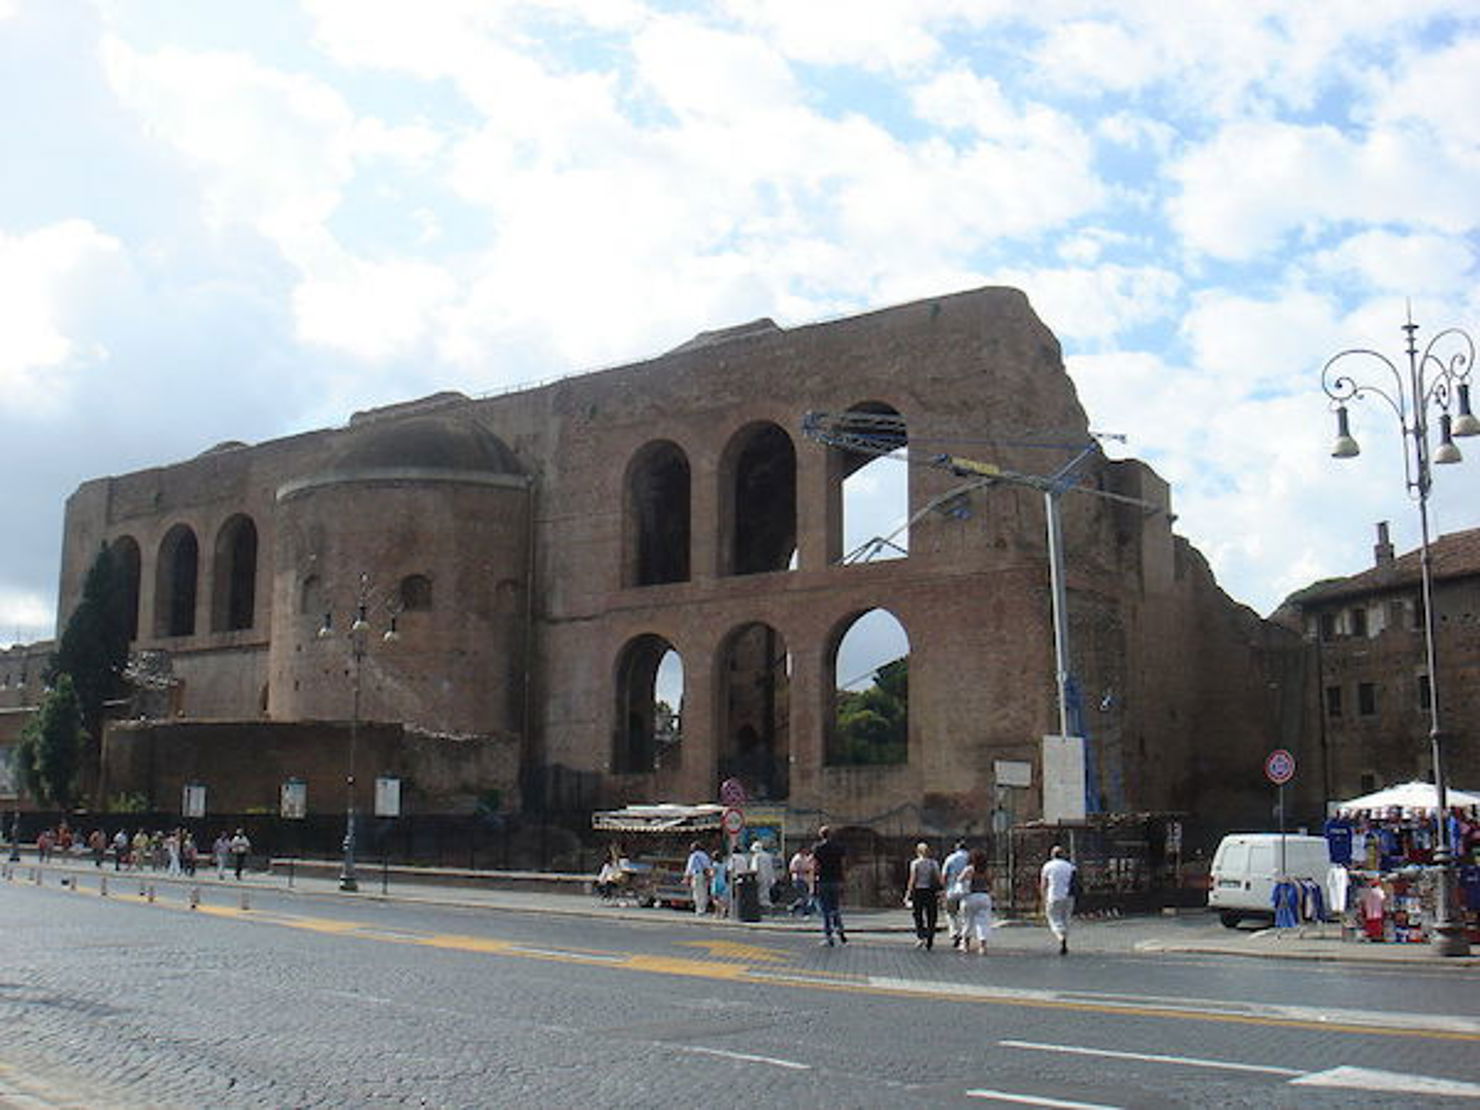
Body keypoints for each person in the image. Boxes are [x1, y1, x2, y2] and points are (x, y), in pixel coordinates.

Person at [812, 826, 847, 946]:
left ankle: (829, 936)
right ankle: (840, 930)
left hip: (823, 880)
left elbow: (816, 865)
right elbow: (843, 863)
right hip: (836, 880)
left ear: (821, 835)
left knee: (825, 909)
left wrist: (814, 880)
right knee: (835, 907)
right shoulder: (838, 847)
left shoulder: (818, 848)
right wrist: (842, 878)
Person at [1039, 845, 1077, 955]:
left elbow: (1043, 884)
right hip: (1069, 896)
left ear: (1052, 855)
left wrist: (1043, 897)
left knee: (1054, 919)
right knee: (1066, 918)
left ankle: (1060, 937)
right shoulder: (1070, 866)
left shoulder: (1048, 866)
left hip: (1054, 895)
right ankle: (1065, 938)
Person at [905, 842, 942, 949]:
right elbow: (939, 878)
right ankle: (930, 936)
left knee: (918, 915)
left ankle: (921, 936)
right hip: (930, 891)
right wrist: (942, 890)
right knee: (932, 915)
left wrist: (908, 893)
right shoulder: (933, 863)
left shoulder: (915, 863)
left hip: (918, 891)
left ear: (918, 851)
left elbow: (912, 879)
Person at [959, 847, 994, 955]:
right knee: (983, 922)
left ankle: (965, 945)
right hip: (984, 896)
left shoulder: (969, 869)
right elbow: (990, 883)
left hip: (970, 896)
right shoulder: (986, 870)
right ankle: (982, 947)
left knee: (967, 921)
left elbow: (959, 879)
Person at [940, 840, 971, 948]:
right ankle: (963, 935)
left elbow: (944, 875)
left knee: (950, 913)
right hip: (967, 890)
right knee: (965, 915)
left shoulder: (950, 858)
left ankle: (954, 932)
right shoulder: (970, 858)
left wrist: (943, 889)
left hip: (952, 889)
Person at [683, 840, 712, 916]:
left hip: (697, 875)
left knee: (697, 892)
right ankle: (703, 909)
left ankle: (699, 909)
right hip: (704, 875)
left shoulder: (694, 856)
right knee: (704, 892)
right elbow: (708, 866)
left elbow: (690, 867)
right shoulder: (705, 855)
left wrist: (686, 877)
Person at [788, 845, 816, 917]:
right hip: (798, 880)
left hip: (806, 880)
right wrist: (803, 871)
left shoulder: (805, 858)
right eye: (805, 850)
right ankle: (803, 911)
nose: (806, 851)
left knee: (804, 897)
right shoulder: (797, 858)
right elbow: (792, 869)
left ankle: (793, 908)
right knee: (804, 897)